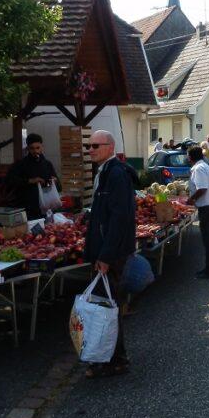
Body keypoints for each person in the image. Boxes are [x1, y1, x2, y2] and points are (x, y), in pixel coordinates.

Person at [83, 130, 135, 378]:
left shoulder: (115, 174)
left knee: (107, 307)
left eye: (95, 145)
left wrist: (105, 256)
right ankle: (108, 356)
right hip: (105, 251)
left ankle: (115, 359)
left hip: (111, 254)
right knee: (106, 305)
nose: (90, 149)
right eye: (88, 145)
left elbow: (119, 218)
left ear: (109, 147)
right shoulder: (104, 172)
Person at [187, 144, 209, 278]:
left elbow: (202, 189)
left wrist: (191, 199)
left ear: (190, 157)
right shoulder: (206, 166)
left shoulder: (198, 169)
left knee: (208, 239)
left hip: (207, 207)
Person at [6, 133, 59, 221]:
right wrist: (30, 181)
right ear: (28, 149)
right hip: (27, 207)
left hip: (45, 208)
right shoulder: (21, 164)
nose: (35, 151)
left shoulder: (47, 164)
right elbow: (10, 180)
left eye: (38, 148)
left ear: (42, 147)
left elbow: (57, 184)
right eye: (32, 148)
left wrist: (54, 180)